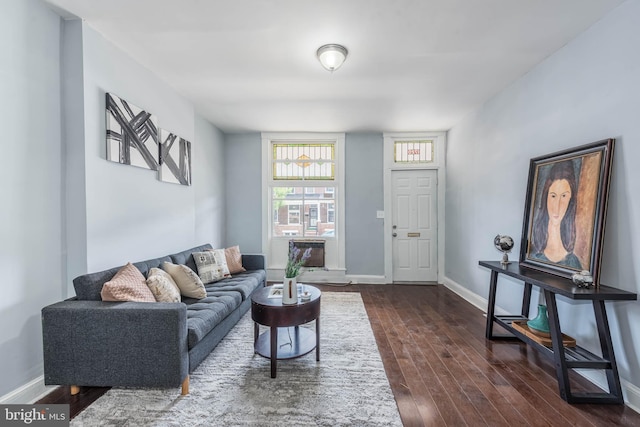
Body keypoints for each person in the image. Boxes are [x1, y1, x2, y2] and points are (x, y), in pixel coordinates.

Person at [531, 160, 582, 269]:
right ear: (546, 197)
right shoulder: (531, 255)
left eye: (564, 196)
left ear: (571, 200)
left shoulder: (573, 264)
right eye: (553, 196)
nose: (557, 206)